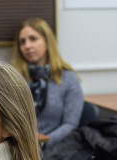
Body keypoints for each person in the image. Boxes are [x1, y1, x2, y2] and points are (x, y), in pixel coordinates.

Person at [11, 17, 84, 149]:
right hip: (16, 145)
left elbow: (70, 124)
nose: (27, 46)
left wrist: (44, 142)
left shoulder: (68, 78)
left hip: (50, 148)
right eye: (22, 42)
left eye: (33, 39)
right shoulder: (14, 79)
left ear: (47, 41)